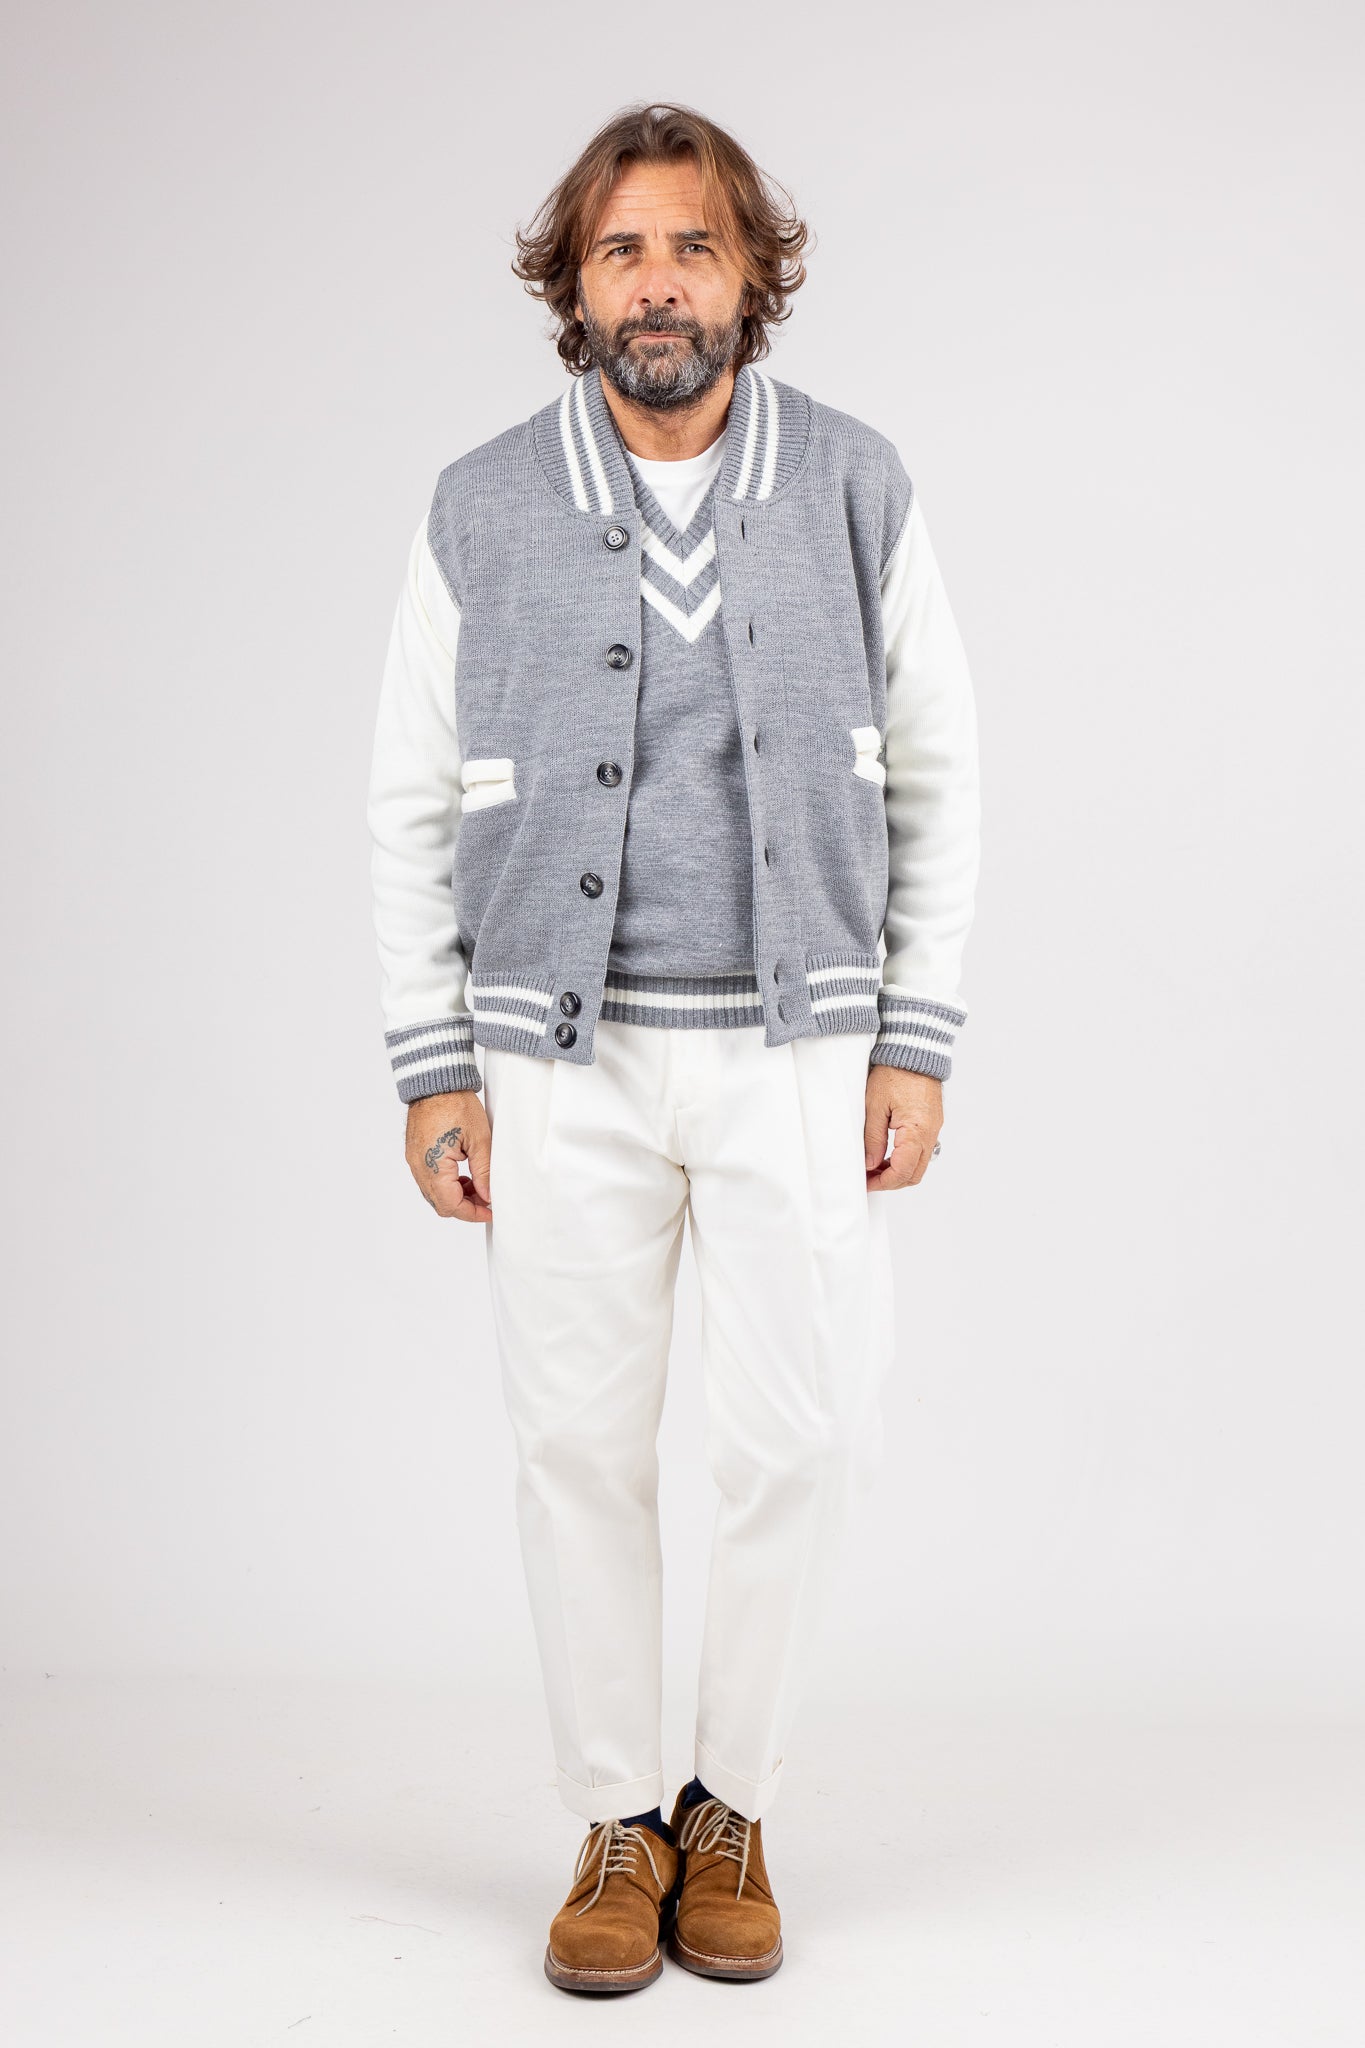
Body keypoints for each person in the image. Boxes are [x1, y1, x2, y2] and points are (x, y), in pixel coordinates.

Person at [366, 100, 981, 1995]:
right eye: (621, 248)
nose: (657, 283)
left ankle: (734, 1807)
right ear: (573, 283)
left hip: (800, 1050)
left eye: (692, 246)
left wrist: (914, 1038)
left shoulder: (855, 482)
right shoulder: (481, 502)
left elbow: (940, 769)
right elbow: (405, 801)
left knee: (803, 1438)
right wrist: (435, 1065)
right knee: (575, 1448)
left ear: (748, 277)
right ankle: (615, 1820)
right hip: (559, 1062)